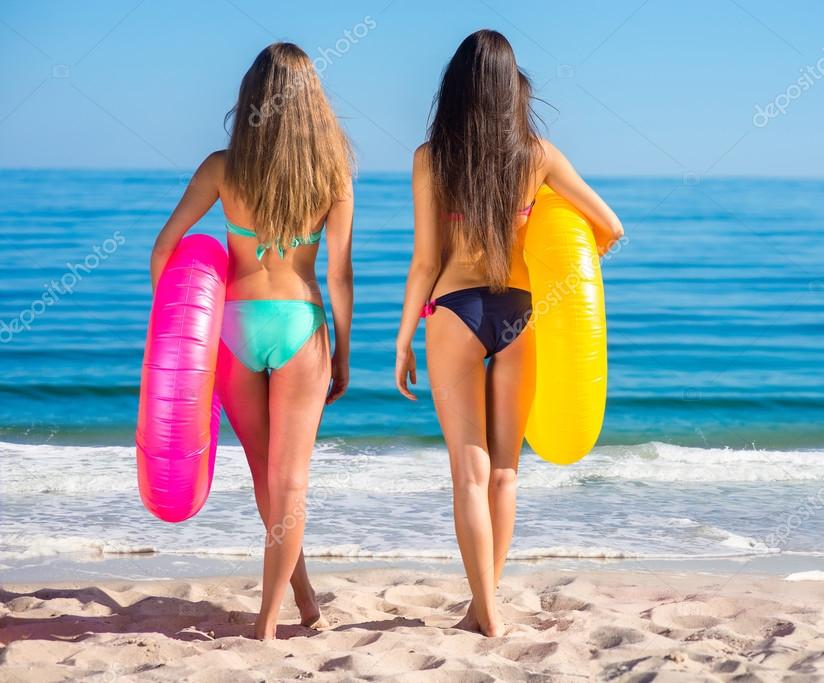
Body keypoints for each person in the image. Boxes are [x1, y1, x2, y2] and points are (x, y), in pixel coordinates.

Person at [394, 30, 624, 636]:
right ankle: (484, 606)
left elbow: (424, 260)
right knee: (503, 472)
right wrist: (566, 248)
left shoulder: (430, 157)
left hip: (455, 311)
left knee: (467, 473)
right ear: (510, 87)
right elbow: (612, 226)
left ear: (456, 86)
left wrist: (400, 338)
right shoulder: (537, 155)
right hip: (520, 312)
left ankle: (486, 615)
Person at [149, 43, 355, 640]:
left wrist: (173, 338)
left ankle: (304, 599)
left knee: (267, 477)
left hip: (235, 329)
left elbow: (164, 248)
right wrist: (342, 352)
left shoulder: (222, 166)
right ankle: (270, 623)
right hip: (300, 326)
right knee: (289, 482)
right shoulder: (333, 176)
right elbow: (339, 274)